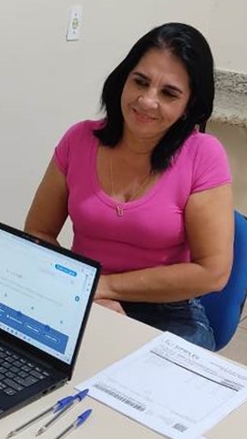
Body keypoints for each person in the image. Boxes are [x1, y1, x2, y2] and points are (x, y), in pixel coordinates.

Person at [25, 22, 233, 350]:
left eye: (169, 93)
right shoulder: (79, 139)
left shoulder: (203, 155)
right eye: (140, 81)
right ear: (123, 79)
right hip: (83, 295)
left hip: (169, 312)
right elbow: (38, 231)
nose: (147, 101)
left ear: (189, 107)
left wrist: (104, 286)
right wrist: (83, 291)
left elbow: (212, 272)